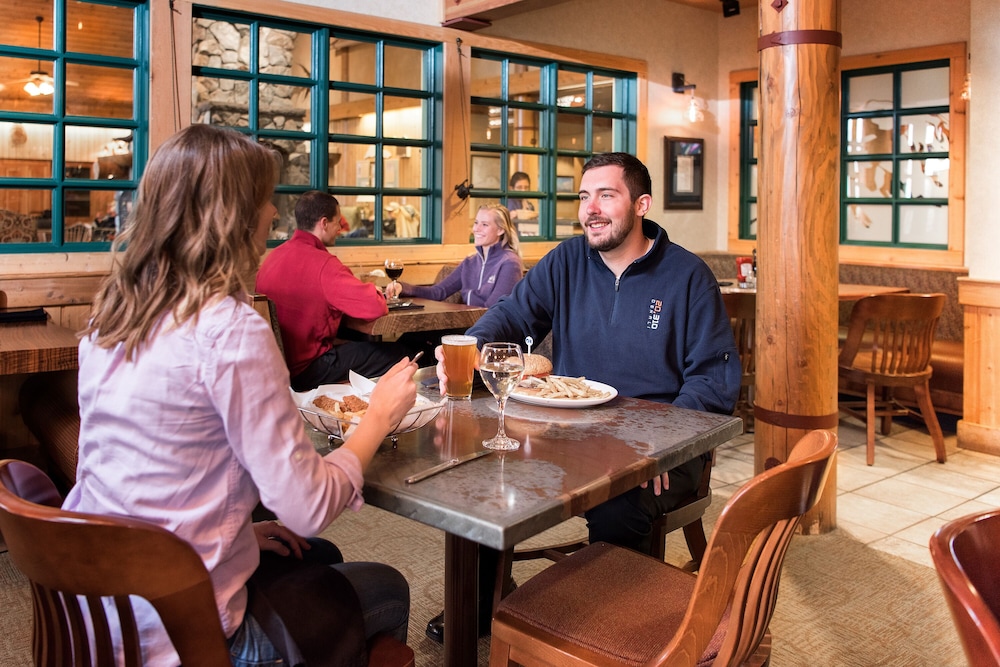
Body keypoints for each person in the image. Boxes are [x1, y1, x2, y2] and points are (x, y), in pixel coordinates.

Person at [64, 124, 419, 666]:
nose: (272, 214)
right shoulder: (228, 331)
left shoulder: (109, 319)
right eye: (263, 200)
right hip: (185, 633)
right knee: (387, 585)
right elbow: (307, 507)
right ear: (231, 217)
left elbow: (145, 476)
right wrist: (378, 418)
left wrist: (241, 532)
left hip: (101, 609)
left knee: (315, 556)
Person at [425, 151, 741, 644]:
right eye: (584, 196)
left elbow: (711, 381)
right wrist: (472, 345)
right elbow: (512, 315)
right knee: (483, 468)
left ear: (641, 205)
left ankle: (616, 631)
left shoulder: (688, 276)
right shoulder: (567, 261)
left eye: (606, 195)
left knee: (619, 504)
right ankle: (483, 596)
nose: (590, 208)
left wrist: (664, 447)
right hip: (566, 431)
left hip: (658, 445)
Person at [256, 190, 417, 391]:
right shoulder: (324, 265)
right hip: (308, 369)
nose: (340, 228)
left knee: (363, 345)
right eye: (338, 222)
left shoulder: (272, 257)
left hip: (278, 366)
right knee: (404, 354)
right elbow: (375, 307)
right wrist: (373, 290)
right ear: (324, 223)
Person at [393, 203, 523, 308]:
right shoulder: (470, 262)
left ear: (500, 230)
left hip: (488, 329)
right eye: (476, 223)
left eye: (485, 225)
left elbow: (494, 310)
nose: (476, 229)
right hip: (467, 324)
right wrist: (402, 287)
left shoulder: (509, 263)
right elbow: (438, 292)